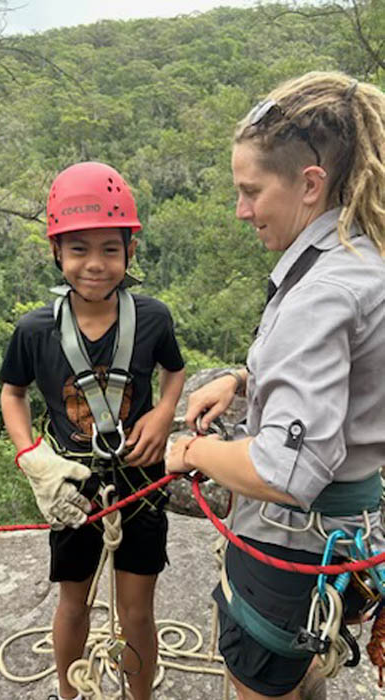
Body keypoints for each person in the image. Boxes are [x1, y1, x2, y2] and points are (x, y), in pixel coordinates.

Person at [166, 71, 385, 700]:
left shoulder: (321, 293)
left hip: (291, 554)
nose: (242, 210)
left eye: (251, 191)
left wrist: (192, 451)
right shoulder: (364, 260)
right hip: (349, 536)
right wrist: (244, 380)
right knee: (305, 665)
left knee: (265, 679)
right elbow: (354, 373)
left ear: (309, 184)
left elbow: (284, 472)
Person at [0, 161, 185, 700]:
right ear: (56, 252)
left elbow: (174, 372)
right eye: (79, 249)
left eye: (110, 249)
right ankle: (69, 692)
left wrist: (163, 413)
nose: (95, 264)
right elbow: (13, 393)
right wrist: (31, 457)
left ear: (130, 251)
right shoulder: (36, 330)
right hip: (72, 488)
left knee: (137, 611)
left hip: (141, 485)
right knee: (73, 603)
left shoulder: (153, 319)